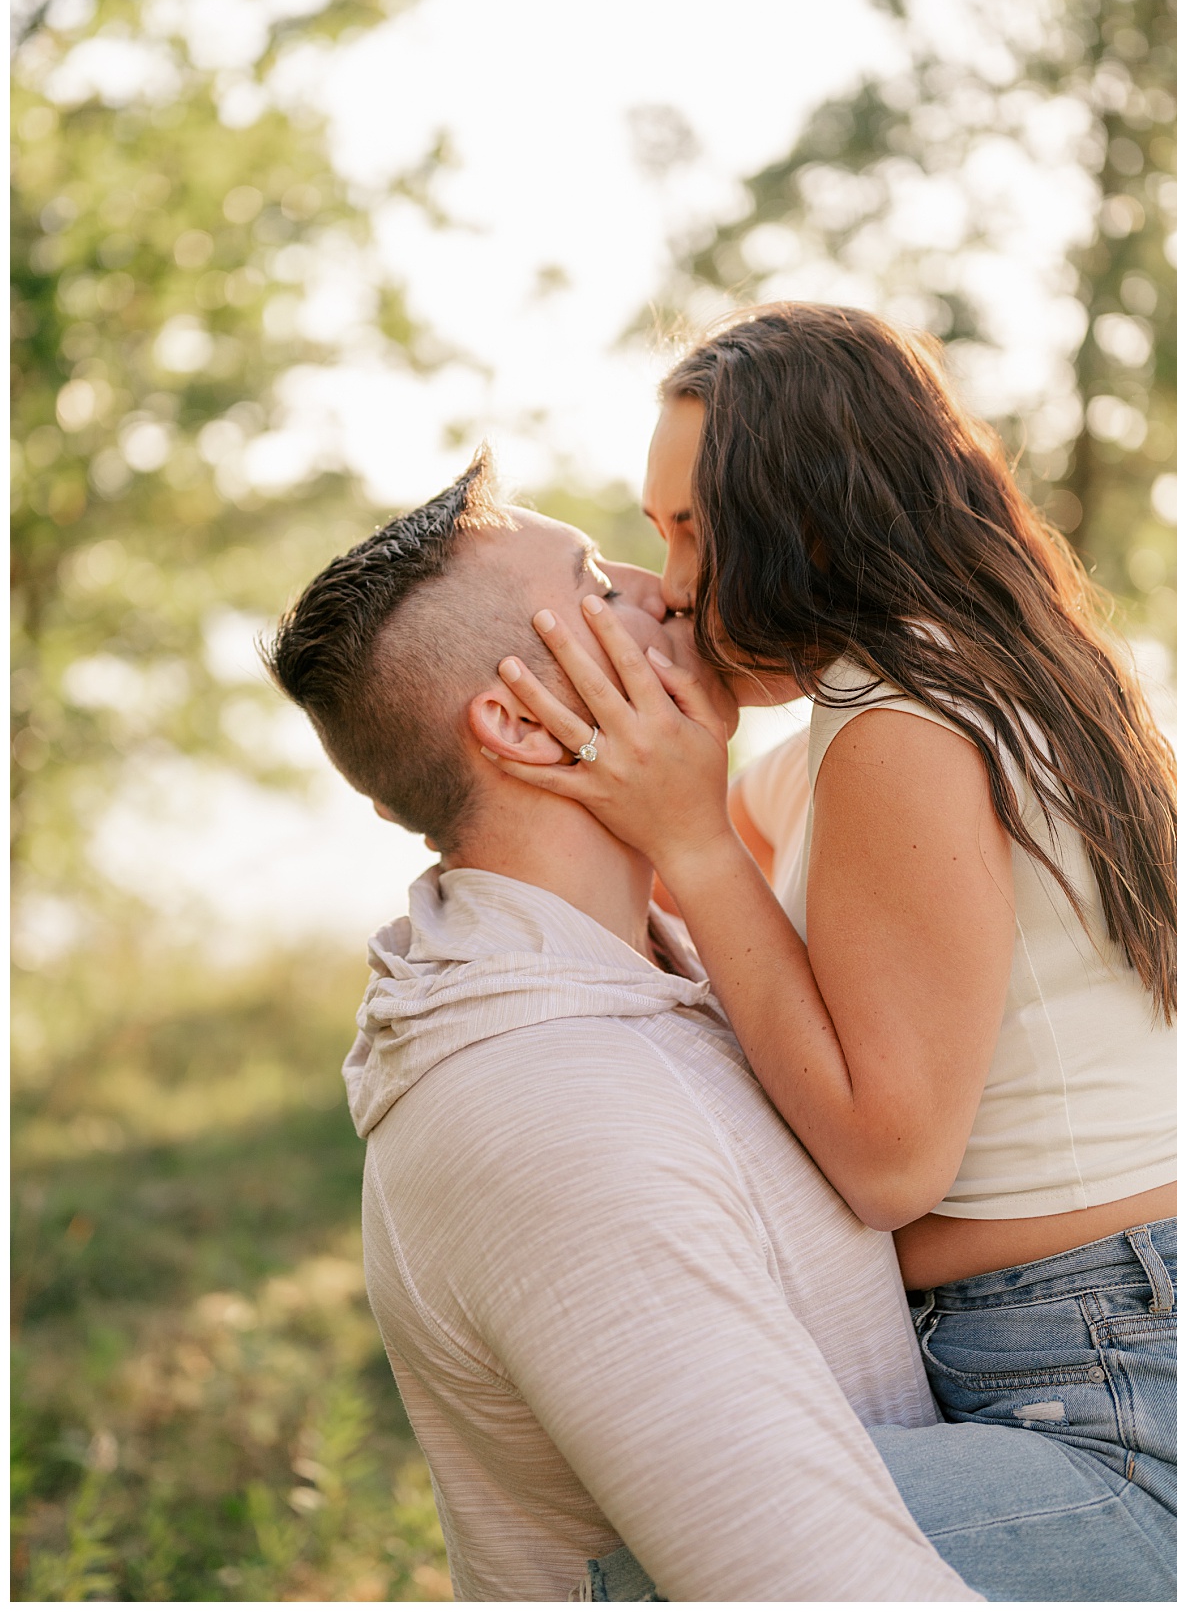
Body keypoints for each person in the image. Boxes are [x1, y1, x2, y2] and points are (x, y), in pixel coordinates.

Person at [488, 303, 1177, 1600]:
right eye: (654, 536)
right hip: (1043, 1348)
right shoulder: (865, 724)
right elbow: (718, 937)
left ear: (809, 513)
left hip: (1113, 1398)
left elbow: (888, 1157)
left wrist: (691, 841)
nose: (677, 583)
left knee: (659, 1577)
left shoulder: (909, 723)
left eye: (695, 528)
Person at [263, 456, 979, 1603]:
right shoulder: (540, 1111)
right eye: (600, 585)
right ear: (522, 725)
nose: (666, 588)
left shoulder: (659, 969)